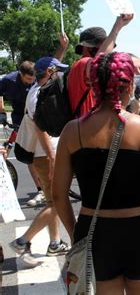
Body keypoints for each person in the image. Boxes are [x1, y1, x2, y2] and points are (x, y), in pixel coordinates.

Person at [53, 52, 140, 294]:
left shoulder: (73, 131)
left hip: (94, 230)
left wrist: (75, 234)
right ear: (130, 84)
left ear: (93, 84)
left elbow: (59, 195)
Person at [9, 57, 71, 266]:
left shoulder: (40, 89)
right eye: (57, 71)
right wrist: (53, 158)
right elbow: (40, 128)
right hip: (45, 155)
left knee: (51, 200)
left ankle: (54, 243)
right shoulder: (38, 95)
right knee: (57, 202)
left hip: (44, 154)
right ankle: (22, 240)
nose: (60, 75)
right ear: (50, 72)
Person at [68, 14, 134, 117]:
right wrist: (117, 27)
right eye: (98, 45)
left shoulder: (88, 69)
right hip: (83, 130)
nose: (102, 49)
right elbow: (98, 64)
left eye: (104, 44)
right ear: (85, 47)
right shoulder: (82, 64)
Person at [0, 60, 46, 206]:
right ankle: (41, 190)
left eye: (33, 80)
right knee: (28, 155)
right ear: (20, 74)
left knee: (38, 152)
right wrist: (1, 110)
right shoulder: (8, 80)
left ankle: (45, 188)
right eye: (28, 79)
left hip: (37, 117)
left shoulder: (36, 79)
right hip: (19, 117)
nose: (31, 82)